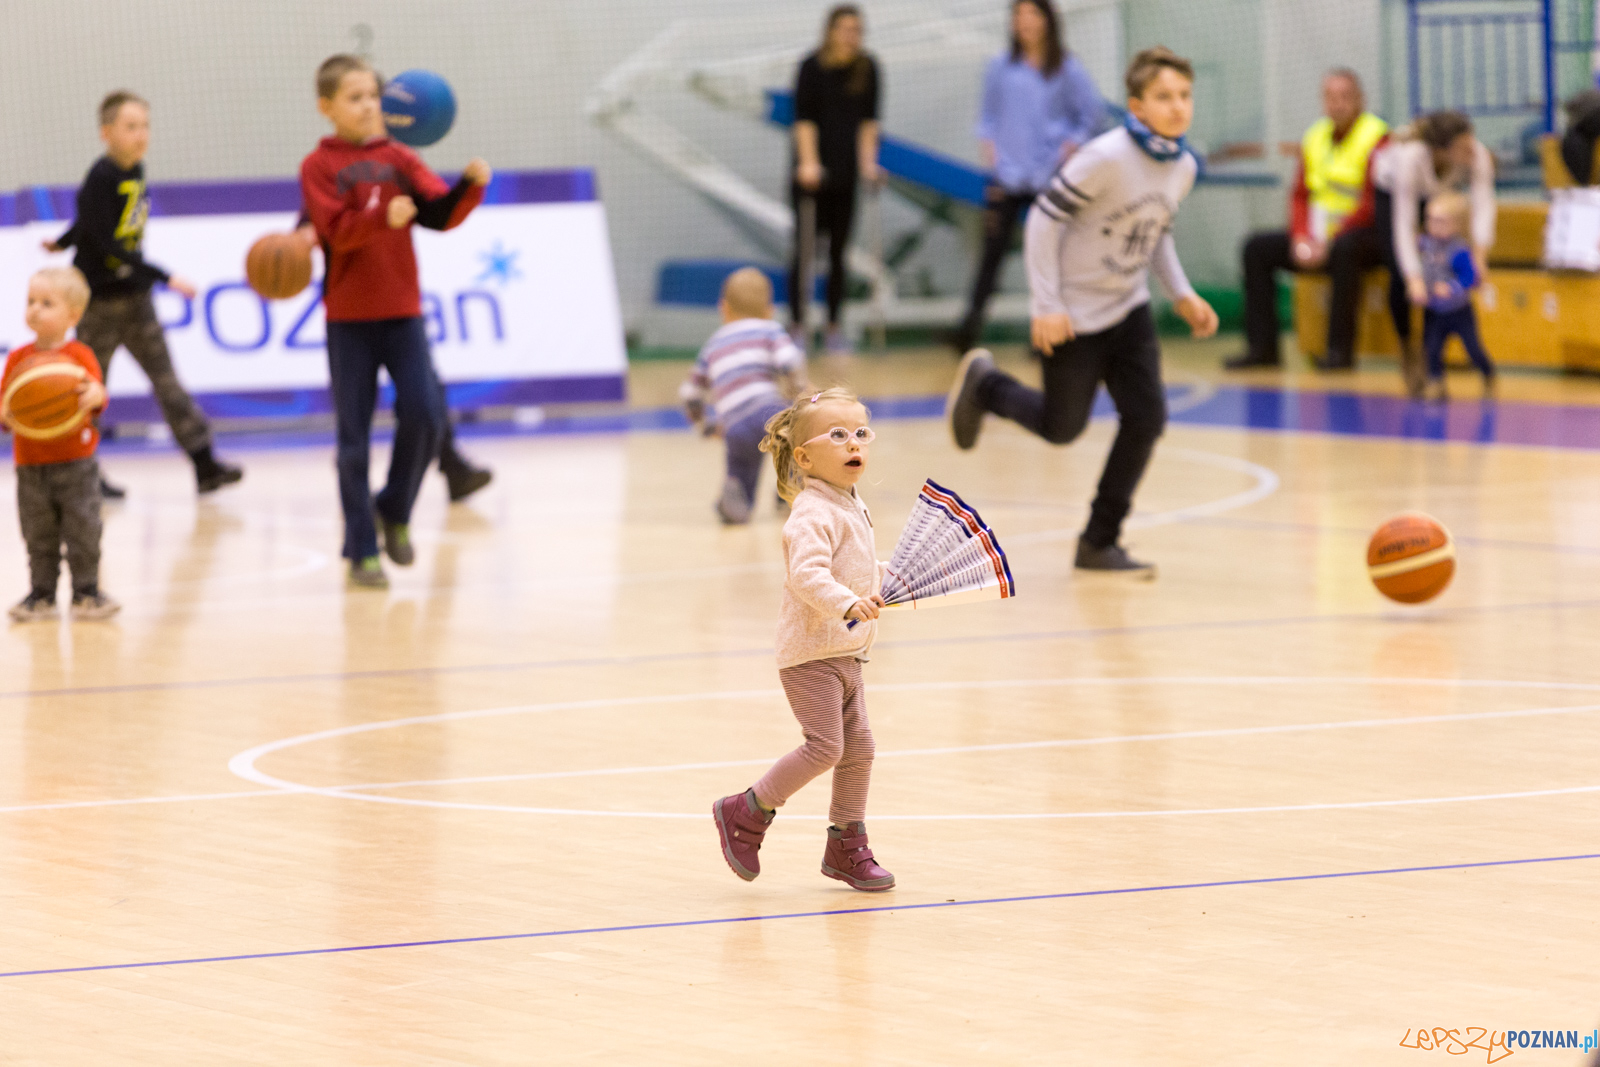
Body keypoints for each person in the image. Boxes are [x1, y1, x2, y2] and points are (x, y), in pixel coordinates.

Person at [944, 46, 1218, 576]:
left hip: (1128, 307)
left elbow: (1156, 229)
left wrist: (1180, 292)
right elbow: (1045, 219)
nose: (1178, 106)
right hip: (1072, 312)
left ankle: (1098, 541)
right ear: (1136, 106)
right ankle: (987, 386)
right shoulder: (1106, 157)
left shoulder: (1182, 165)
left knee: (1146, 418)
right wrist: (1046, 305)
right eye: (1164, 96)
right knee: (1061, 428)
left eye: (1185, 96)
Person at [300, 54, 490, 588]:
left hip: (403, 314)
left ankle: (395, 509)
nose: (367, 106)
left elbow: (438, 213)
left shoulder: (402, 157)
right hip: (349, 322)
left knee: (427, 415)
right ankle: (362, 548)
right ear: (327, 107)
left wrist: (468, 188)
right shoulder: (317, 167)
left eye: (373, 96)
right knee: (353, 441)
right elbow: (334, 232)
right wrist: (380, 217)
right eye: (354, 97)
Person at [712, 387, 894, 892]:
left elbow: (852, 570)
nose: (853, 442)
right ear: (805, 456)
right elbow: (807, 575)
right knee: (826, 746)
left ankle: (845, 845)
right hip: (811, 654)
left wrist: (888, 579)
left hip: (846, 652)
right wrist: (847, 603)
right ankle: (746, 810)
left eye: (860, 433)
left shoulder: (850, 504)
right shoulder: (813, 511)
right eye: (838, 435)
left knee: (859, 751)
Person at [48, 91, 243, 498]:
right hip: (97, 303)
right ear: (107, 133)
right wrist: (164, 276)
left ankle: (205, 464)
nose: (141, 135)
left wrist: (62, 240)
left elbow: (89, 224)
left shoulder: (136, 170)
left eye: (145, 126)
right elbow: (105, 241)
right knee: (88, 391)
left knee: (167, 381)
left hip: (136, 301)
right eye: (131, 127)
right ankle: (82, 474)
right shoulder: (100, 178)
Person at [291, 215, 493, 503]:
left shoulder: (396, 173)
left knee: (425, 397)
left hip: (397, 303)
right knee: (356, 410)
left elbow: (431, 205)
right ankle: (356, 497)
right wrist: (304, 235)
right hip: (351, 313)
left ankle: (442, 470)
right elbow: (309, 221)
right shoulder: (332, 176)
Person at [951, 0, 1105, 354]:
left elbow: (1091, 116)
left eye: (1032, 14)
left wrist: (1072, 145)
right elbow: (987, 118)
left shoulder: (1067, 68)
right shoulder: (1000, 67)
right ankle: (968, 330)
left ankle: (1051, 332)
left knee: (1050, 255)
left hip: (1048, 176)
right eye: (1018, 16)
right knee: (991, 252)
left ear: (1047, 20)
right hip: (1007, 176)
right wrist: (990, 150)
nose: (1025, 22)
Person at [1226, 70, 1389, 371]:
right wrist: (1301, 236)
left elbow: (1371, 203)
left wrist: (1328, 240)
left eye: (1345, 97)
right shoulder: (1314, 136)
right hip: (1316, 237)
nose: (1337, 104)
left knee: (1345, 250)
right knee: (1256, 248)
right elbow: (1300, 195)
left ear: (1359, 101)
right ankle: (1263, 349)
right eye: (1330, 97)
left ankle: (1339, 354)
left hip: (1362, 237)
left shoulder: (1378, 138)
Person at [3, 268, 120, 622]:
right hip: (30, 464)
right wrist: (9, 413)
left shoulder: (80, 356)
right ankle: (42, 594)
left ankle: (87, 592)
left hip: (76, 464)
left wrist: (96, 394)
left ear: (73, 315)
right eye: (30, 302)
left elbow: (98, 395)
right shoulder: (18, 360)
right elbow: (8, 408)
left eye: (46, 303)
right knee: (38, 535)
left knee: (84, 531)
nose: (35, 309)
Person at [1374, 110, 1496, 397]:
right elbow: (1403, 226)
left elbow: (1484, 205)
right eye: (1461, 146)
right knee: (1400, 273)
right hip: (1392, 190)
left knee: (1438, 270)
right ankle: (1407, 347)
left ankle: (1432, 364)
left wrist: (1480, 254)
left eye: (1471, 142)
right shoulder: (1409, 159)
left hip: (1433, 192)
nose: (1471, 150)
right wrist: (1414, 278)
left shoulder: (1477, 155)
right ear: (1441, 150)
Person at [679, 268, 808, 524]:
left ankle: (737, 498)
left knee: (741, 467)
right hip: (767, 410)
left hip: (734, 424)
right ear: (769, 310)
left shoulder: (713, 345)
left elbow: (691, 393)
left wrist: (705, 427)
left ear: (723, 308)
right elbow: (790, 362)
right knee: (796, 442)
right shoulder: (770, 330)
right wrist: (802, 396)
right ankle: (793, 490)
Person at [789, 5, 882, 354]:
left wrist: (869, 164)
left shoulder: (868, 68)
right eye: (843, 29)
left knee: (839, 252)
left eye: (856, 30)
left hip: (846, 173)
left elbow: (869, 122)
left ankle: (833, 325)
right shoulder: (810, 68)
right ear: (830, 31)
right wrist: (809, 162)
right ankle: (798, 324)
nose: (850, 36)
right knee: (804, 249)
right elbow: (804, 120)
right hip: (811, 176)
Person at [1417, 191, 1494, 401]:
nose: (1434, 225)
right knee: (1432, 350)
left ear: (1456, 225)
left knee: (1473, 349)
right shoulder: (1424, 244)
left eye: (1441, 221)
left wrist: (1452, 287)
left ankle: (1487, 373)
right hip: (1434, 311)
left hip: (1459, 311)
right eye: (1431, 220)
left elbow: (1471, 278)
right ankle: (1437, 384)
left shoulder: (1458, 250)